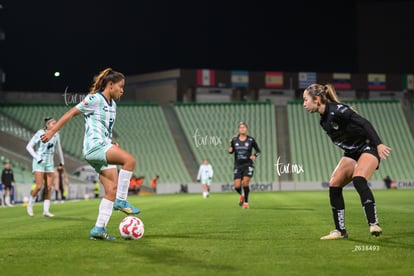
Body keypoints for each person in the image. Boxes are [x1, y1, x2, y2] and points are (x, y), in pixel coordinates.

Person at [40, 67, 140, 240]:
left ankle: (99, 229)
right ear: (110, 85)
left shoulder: (113, 105)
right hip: (95, 147)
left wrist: (111, 142)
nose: (122, 90)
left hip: (102, 146)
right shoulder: (94, 99)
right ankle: (122, 201)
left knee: (111, 189)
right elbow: (71, 112)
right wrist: (51, 132)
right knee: (129, 161)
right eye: (120, 86)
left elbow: (104, 129)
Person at [303, 83, 391, 240]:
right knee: (334, 184)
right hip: (351, 152)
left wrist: (378, 144)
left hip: (367, 147)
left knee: (358, 179)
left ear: (316, 99)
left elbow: (364, 123)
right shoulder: (323, 121)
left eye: (305, 100)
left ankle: (374, 223)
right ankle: (340, 231)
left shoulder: (338, 110)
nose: (304, 104)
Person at [26, 117, 65, 216]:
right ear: (47, 125)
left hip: (49, 163)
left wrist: (62, 162)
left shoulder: (56, 135)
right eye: (53, 123)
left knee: (48, 187)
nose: (55, 125)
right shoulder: (40, 133)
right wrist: (37, 157)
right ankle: (30, 205)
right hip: (39, 162)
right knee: (39, 186)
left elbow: (59, 149)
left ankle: (46, 211)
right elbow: (29, 147)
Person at [228, 122, 261, 209]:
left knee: (245, 183)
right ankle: (242, 195)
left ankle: (246, 202)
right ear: (238, 129)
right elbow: (231, 151)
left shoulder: (251, 140)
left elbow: (258, 151)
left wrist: (254, 155)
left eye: (244, 127)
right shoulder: (234, 140)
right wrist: (230, 149)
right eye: (241, 128)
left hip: (248, 164)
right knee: (237, 186)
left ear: (247, 129)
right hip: (238, 165)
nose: (242, 129)